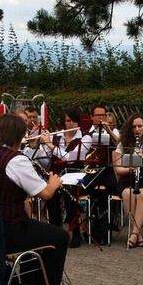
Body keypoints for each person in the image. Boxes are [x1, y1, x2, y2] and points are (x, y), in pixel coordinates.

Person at [0, 113, 69, 285]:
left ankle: (28, 283)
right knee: (60, 236)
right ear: (18, 136)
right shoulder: (15, 160)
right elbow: (45, 194)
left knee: (36, 229)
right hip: (7, 229)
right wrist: (53, 183)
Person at [41, 106, 92, 247]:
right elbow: (46, 160)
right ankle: (56, 233)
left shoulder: (86, 138)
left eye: (74, 121)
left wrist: (51, 146)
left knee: (69, 195)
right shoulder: (56, 136)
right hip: (56, 175)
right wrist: (36, 146)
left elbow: (71, 157)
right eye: (68, 121)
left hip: (75, 175)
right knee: (51, 195)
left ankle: (75, 233)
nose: (71, 124)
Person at [113, 113, 143, 248]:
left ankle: (133, 234)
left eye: (140, 126)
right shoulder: (123, 142)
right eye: (134, 127)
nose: (137, 129)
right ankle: (137, 234)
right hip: (127, 179)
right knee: (128, 194)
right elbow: (118, 170)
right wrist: (130, 169)